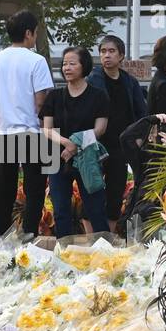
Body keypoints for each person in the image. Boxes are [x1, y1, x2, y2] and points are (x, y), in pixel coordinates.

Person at [0, 10, 53, 237]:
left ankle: (2, 235)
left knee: (3, 190)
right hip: (32, 131)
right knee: (34, 190)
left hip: (2, 131)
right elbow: (41, 100)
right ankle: (29, 234)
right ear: (28, 33)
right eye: (35, 32)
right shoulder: (37, 60)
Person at [42, 46, 109, 238]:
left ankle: (105, 253)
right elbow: (46, 129)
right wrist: (65, 143)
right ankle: (65, 252)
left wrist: (75, 145)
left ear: (84, 66)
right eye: (64, 64)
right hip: (57, 158)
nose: (67, 68)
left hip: (87, 158)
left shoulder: (98, 96)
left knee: (95, 208)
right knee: (61, 210)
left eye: (72, 63)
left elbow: (100, 129)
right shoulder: (54, 96)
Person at [88, 35, 147, 230]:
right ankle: (89, 241)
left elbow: (141, 113)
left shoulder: (129, 82)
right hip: (95, 145)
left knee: (115, 193)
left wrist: (138, 139)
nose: (106, 55)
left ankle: (110, 240)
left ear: (121, 55)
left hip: (120, 147)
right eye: (103, 51)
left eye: (111, 51)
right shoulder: (93, 79)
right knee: (91, 191)